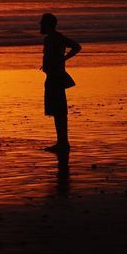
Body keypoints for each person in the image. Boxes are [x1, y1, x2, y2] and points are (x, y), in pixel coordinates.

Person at [40, 13, 81, 153]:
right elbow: (76, 46)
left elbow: (76, 47)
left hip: (54, 77)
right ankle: (62, 142)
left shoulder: (51, 39)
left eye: (42, 23)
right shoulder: (58, 37)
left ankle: (62, 143)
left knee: (58, 111)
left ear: (47, 25)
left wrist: (63, 59)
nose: (40, 26)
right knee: (59, 111)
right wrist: (63, 58)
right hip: (56, 76)